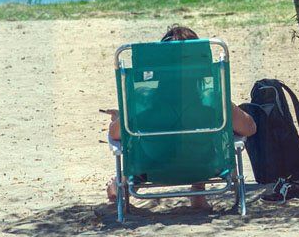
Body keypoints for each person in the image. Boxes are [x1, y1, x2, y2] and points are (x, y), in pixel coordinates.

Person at [104, 25, 256, 211]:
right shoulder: (215, 107)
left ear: (158, 69)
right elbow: (250, 128)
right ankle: (198, 193)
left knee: (133, 144)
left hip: (152, 170)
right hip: (204, 168)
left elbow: (115, 134)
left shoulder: (146, 111)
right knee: (198, 143)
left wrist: (119, 118)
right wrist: (229, 105)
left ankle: (119, 185)